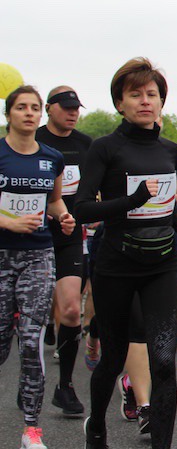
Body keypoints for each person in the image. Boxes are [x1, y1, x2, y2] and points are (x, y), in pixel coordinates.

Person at [76, 58, 177, 449]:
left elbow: (164, 205)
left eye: (152, 94)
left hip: (162, 264)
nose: (145, 101)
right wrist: (130, 202)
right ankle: (97, 428)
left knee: (163, 360)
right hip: (115, 265)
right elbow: (82, 208)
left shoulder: (171, 151)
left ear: (161, 102)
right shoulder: (105, 148)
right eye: (135, 94)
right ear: (120, 103)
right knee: (112, 358)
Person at [0, 85, 75, 449]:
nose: (29, 113)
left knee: (31, 341)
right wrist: (8, 223)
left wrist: (63, 216)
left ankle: (31, 429)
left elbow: (54, 200)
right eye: (21, 107)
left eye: (34, 107)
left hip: (38, 256)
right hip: (1, 255)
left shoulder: (52, 157)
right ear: (9, 114)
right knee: (2, 343)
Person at [35, 86, 92, 417]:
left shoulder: (87, 145)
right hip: (31, 236)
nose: (73, 113)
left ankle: (65, 386)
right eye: (66, 107)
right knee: (30, 317)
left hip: (70, 234)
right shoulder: (34, 141)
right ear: (49, 108)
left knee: (71, 309)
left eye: (76, 108)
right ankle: (30, 379)